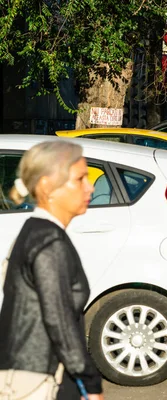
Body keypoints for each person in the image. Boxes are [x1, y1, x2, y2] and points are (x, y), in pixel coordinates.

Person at [0, 140, 104, 400]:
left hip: (32, 373)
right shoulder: (48, 241)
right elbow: (59, 321)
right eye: (80, 179)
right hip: (38, 380)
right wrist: (91, 384)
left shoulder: (35, 232)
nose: (90, 187)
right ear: (48, 186)